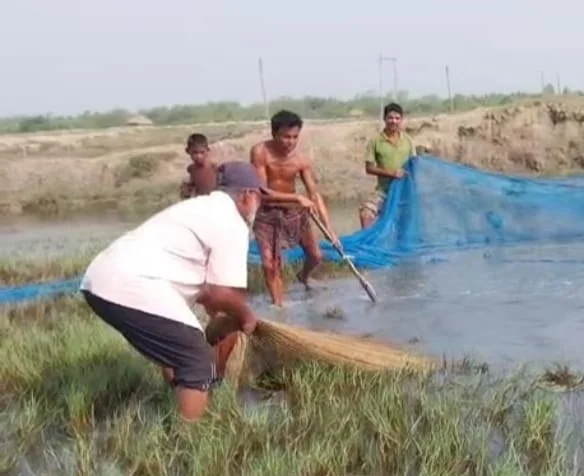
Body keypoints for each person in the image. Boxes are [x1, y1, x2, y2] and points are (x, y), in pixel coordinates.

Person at [80, 161, 266, 421]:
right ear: (247, 195)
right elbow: (222, 293)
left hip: (98, 282)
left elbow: (208, 296)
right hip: (131, 284)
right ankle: (190, 443)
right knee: (197, 361)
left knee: (179, 346)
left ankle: (184, 402)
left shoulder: (198, 208)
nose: (259, 205)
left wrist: (222, 322)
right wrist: (246, 317)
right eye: (259, 197)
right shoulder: (231, 222)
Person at [250, 110, 341, 307]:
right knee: (270, 263)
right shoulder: (260, 152)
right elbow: (262, 192)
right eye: (285, 137)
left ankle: (303, 276)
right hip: (267, 213)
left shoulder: (301, 159)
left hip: (294, 213)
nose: (290, 142)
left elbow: (314, 194)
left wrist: (329, 230)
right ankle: (278, 307)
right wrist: (297, 197)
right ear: (274, 134)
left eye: (294, 137)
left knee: (316, 256)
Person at [359, 102, 416, 229]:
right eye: (390, 118)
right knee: (366, 214)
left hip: (405, 191)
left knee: (412, 220)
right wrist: (392, 173)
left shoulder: (408, 140)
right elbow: (369, 168)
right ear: (385, 119)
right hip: (384, 191)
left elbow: (414, 164)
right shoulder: (375, 141)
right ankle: (370, 246)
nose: (393, 121)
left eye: (397, 118)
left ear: (401, 120)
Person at [179, 133, 219, 199]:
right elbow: (194, 184)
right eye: (195, 152)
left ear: (207, 150)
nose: (198, 156)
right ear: (188, 151)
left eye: (202, 152)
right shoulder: (191, 169)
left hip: (213, 199)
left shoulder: (213, 167)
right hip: (199, 199)